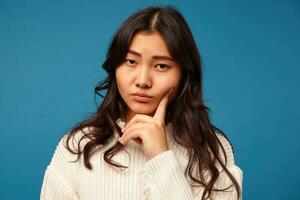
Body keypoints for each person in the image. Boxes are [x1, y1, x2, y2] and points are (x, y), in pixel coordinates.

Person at [40, 5, 243, 200]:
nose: (143, 81)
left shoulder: (211, 149)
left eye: (161, 66)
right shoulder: (79, 145)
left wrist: (160, 156)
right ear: (115, 67)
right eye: (131, 62)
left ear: (184, 74)